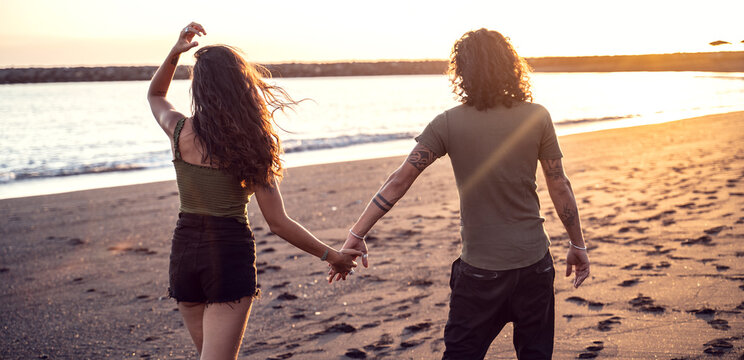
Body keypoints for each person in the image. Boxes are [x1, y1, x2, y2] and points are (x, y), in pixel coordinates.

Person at [333, 28, 590, 359]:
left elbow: (398, 181)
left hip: (480, 273)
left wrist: (356, 234)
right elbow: (559, 183)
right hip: (534, 266)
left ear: (462, 71)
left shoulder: (448, 123)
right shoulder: (536, 116)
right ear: (511, 65)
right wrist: (577, 244)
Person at [147, 22, 361, 359]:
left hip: (184, 254)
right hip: (228, 257)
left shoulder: (179, 131)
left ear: (199, 88)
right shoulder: (252, 145)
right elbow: (278, 223)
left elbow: (155, 95)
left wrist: (175, 52)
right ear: (241, 86)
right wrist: (331, 255)